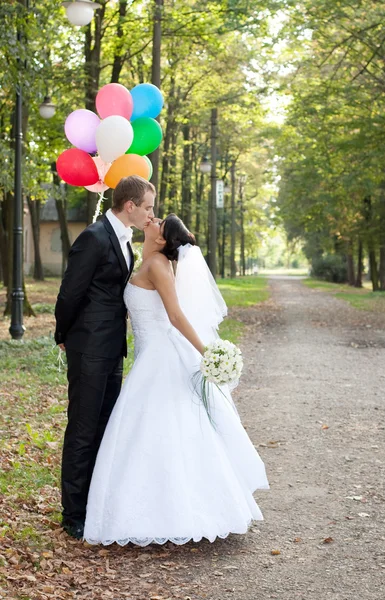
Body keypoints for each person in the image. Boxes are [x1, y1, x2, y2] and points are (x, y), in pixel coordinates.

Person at [83, 214, 269, 546]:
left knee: (161, 430)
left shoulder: (156, 264)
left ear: (162, 238)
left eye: (155, 220)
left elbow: (176, 314)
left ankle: (176, 514)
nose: (150, 219)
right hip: (147, 355)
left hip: (160, 356)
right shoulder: (147, 259)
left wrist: (206, 352)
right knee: (151, 432)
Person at [54, 175, 156, 540]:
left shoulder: (125, 240)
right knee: (82, 428)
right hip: (89, 347)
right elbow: (70, 293)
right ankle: (74, 513)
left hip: (113, 348)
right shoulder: (94, 238)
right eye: (147, 207)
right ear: (129, 205)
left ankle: (95, 504)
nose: (150, 214)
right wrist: (63, 334)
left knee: (103, 427)